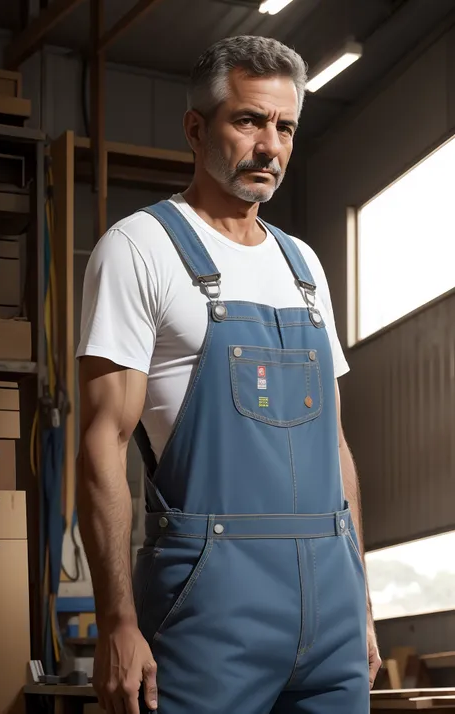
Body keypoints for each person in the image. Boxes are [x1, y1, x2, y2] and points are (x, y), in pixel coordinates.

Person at [76, 34, 381, 714]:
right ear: (195, 127)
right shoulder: (140, 249)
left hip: (330, 615)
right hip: (211, 608)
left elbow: (335, 447)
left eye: (285, 126)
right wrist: (118, 623)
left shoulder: (304, 266)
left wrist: (359, 600)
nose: (270, 146)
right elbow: (101, 444)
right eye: (248, 120)